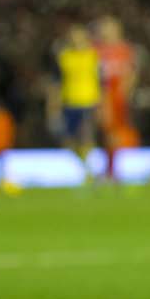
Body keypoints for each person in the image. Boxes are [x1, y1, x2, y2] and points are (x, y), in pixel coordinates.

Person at [48, 23, 101, 185]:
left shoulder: (93, 56)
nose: (76, 40)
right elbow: (56, 84)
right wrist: (53, 107)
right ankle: (86, 168)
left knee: (87, 137)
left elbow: (101, 81)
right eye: (73, 37)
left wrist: (103, 104)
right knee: (68, 142)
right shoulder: (64, 58)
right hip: (69, 102)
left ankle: (90, 174)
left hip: (88, 101)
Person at [93, 16, 137, 183]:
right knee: (106, 134)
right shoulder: (96, 50)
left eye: (109, 27)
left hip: (119, 98)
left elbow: (131, 73)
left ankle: (111, 171)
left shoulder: (124, 49)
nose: (105, 31)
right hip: (104, 97)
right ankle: (109, 170)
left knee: (115, 134)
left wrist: (127, 91)